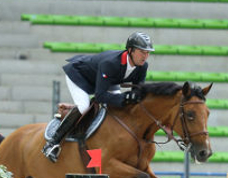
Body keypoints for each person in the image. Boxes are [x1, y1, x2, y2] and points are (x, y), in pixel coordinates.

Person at [42, 32, 155, 162]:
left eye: (148, 53)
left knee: (119, 108)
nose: (145, 56)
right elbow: (100, 96)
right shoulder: (111, 63)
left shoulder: (142, 67)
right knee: (84, 107)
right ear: (130, 50)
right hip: (79, 76)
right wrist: (125, 98)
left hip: (109, 81)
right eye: (142, 52)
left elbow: (137, 93)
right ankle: (53, 143)